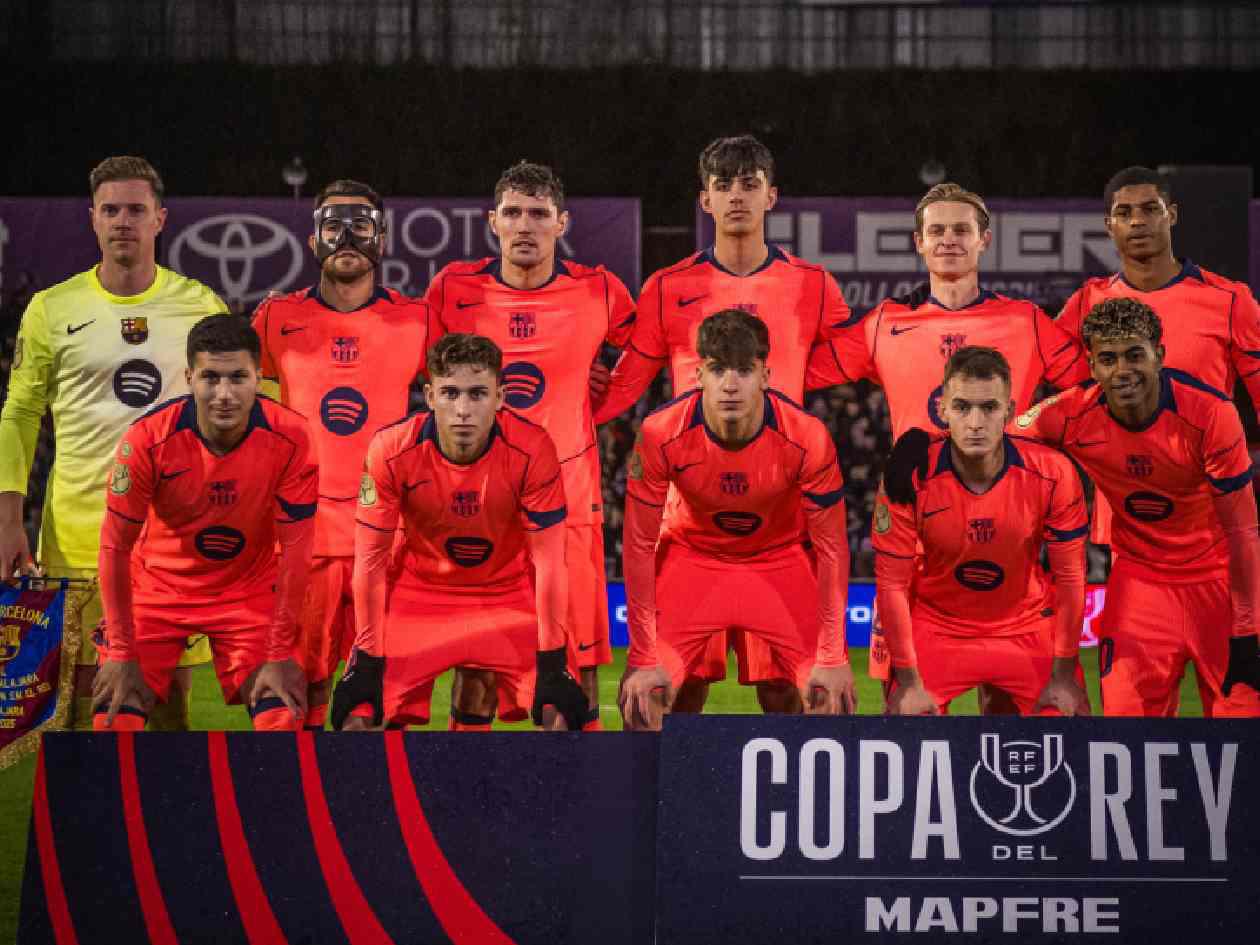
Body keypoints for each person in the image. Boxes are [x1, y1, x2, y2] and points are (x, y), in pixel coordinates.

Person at [887, 298, 1260, 716]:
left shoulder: (1211, 414)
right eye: (1108, 359)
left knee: (1245, 725)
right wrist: (922, 440)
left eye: (1135, 355)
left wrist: (1247, 629)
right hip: (1140, 580)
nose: (1123, 370)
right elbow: (991, 428)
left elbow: (1243, 530)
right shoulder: (1069, 414)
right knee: (1124, 729)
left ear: (1159, 355)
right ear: (1092, 365)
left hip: (1218, 579)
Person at [595, 134, 852, 714]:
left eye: (749, 184)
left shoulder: (813, 285)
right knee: (682, 688)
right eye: (723, 185)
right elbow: (627, 385)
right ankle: (672, 778)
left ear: (771, 196)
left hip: (779, 511)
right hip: (693, 510)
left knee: (785, 690)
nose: (737, 196)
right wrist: (558, 413)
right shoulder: (667, 287)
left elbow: (856, 357)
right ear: (705, 200)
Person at [804, 182, 1090, 699]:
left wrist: (1028, 424)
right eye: (936, 230)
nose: (949, 239)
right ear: (919, 242)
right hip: (914, 537)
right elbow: (796, 370)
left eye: (961, 229)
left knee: (1010, 715)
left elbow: (1090, 389)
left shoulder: (1024, 321)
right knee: (907, 705)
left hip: (1008, 534)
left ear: (984, 239)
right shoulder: (886, 323)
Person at [0, 155, 227, 730]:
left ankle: (163, 795)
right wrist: (8, 522)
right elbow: (19, 415)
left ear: (160, 219)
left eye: (135, 209)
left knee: (169, 708)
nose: (123, 221)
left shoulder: (201, 305)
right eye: (110, 210)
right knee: (82, 706)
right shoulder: (52, 308)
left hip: (173, 539)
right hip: (78, 537)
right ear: (93, 219)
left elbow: (230, 414)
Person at [424, 161, 634, 730]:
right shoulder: (454, 289)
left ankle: (578, 782)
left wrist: (601, 401)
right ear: (492, 221)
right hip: (480, 504)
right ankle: (469, 785)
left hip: (570, 504)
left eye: (539, 214)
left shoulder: (599, 290)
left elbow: (649, 351)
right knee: (476, 666)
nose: (525, 225)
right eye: (513, 212)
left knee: (576, 664)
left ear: (561, 223)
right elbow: (429, 379)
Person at [330, 333, 588, 732]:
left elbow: (550, 562)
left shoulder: (533, 448)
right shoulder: (391, 449)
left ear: (500, 397)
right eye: (450, 393)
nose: (463, 410)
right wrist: (366, 657)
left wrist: (553, 660)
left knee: (562, 718)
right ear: (430, 396)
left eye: (477, 394)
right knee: (359, 718)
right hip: (419, 594)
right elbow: (371, 560)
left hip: (508, 595)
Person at [618, 310, 855, 730]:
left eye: (744, 370)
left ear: (765, 375)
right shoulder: (659, 433)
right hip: (692, 557)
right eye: (717, 369)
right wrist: (641, 656)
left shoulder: (807, 436)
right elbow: (637, 546)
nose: (730, 384)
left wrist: (833, 656)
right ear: (698, 376)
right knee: (644, 698)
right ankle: (655, 777)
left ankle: (794, 776)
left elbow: (832, 548)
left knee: (828, 698)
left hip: (778, 559)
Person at [252, 179, 429, 730]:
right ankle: (301, 787)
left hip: (387, 534)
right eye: (333, 226)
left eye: (361, 226)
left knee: (377, 699)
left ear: (382, 239)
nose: (347, 238)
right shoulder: (275, 319)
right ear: (313, 241)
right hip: (303, 534)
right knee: (298, 689)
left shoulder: (418, 320)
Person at [91, 316, 317, 731]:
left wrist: (279, 651)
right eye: (210, 378)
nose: (224, 394)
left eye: (238, 378)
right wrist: (121, 653)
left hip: (246, 593)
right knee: (114, 719)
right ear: (189, 378)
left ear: (259, 377)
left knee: (282, 716)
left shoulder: (292, 437)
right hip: (157, 592)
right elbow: (114, 547)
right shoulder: (146, 440)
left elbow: (297, 551)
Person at [874, 346, 1089, 716]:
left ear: (1009, 411)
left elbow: (1070, 576)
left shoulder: (1053, 473)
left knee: (1070, 727)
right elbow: (892, 583)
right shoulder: (909, 474)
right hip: (938, 627)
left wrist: (1064, 674)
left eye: (989, 408)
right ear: (942, 410)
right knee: (907, 728)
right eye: (962, 407)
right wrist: (908, 681)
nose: (976, 422)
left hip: (1026, 627)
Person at [1056, 165, 1260, 548]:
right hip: (1126, 520)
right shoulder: (1086, 304)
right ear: (1109, 225)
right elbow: (1033, 380)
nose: (1137, 221)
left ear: (1173, 215)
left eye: (1150, 209)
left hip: (1210, 517)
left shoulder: (1230, 301)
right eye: (1124, 213)